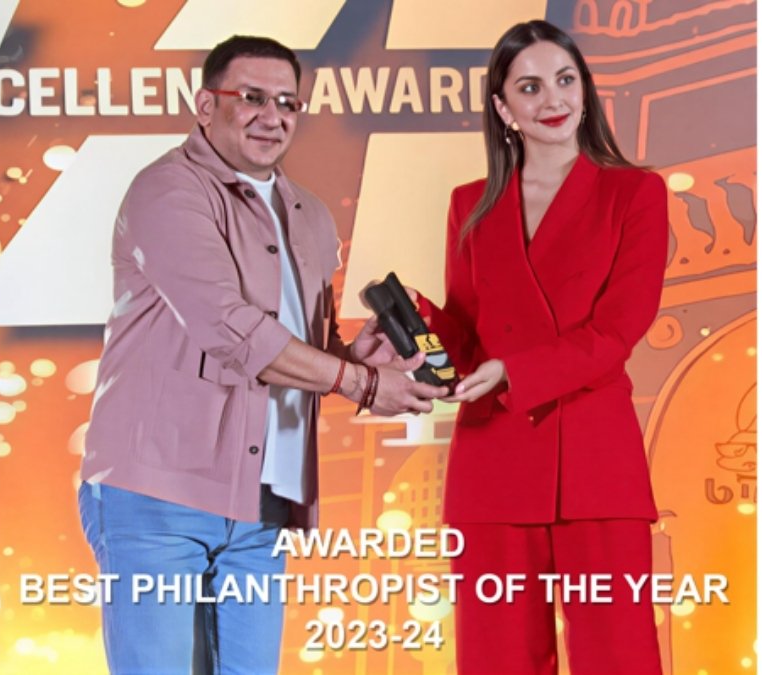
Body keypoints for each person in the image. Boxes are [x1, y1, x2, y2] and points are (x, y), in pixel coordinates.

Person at [76, 35, 448, 675]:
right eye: (251, 98)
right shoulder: (168, 191)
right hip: (158, 497)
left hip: (263, 501)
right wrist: (359, 383)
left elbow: (295, 348)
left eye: (287, 103)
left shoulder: (310, 214)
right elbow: (231, 330)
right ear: (205, 105)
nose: (272, 116)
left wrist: (352, 356)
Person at [406, 20, 668, 675]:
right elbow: (466, 343)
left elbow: (617, 331)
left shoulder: (635, 193)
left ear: (585, 89)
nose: (553, 99)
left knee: (620, 659)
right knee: (495, 661)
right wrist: (416, 318)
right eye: (530, 87)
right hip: (492, 467)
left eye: (565, 79)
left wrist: (512, 371)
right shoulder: (470, 204)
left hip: (596, 464)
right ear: (503, 108)